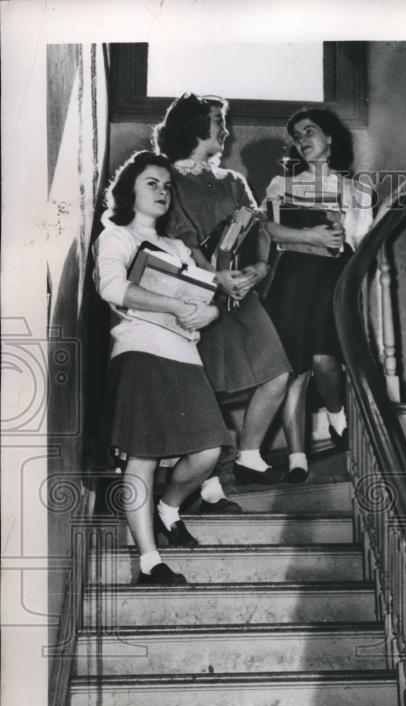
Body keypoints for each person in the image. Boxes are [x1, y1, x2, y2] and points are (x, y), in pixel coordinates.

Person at [94, 150, 231, 585]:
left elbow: (207, 299)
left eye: (167, 186)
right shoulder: (115, 237)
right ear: (129, 189)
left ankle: (167, 507)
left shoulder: (176, 247)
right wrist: (175, 304)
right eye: (151, 183)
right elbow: (114, 288)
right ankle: (149, 559)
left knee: (208, 449)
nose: (162, 192)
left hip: (184, 355)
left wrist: (207, 313)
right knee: (144, 455)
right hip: (139, 350)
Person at [153, 93, 291, 511]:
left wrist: (262, 268)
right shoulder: (167, 180)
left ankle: (249, 454)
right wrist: (212, 277)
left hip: (242, 293)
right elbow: (178, 241)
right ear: (195, 127)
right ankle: (210, 487)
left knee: (278, 372)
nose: (224, 129)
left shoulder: (233, 181)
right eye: (217, 121)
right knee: (203, 391)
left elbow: (259, 229)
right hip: (198, 297)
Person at [261, 107, 372, 483]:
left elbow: (359, 241)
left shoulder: (356, 189)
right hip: (292, 283)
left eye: (309, 131)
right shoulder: (281, 184)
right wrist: (309, 236)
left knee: (325, 362)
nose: (302, 140)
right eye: (296, 135)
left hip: (331, 280)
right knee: (294, 371)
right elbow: (271, 235)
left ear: (330, 138)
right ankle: (296, 458)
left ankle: (337, 415)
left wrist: (341, 230)